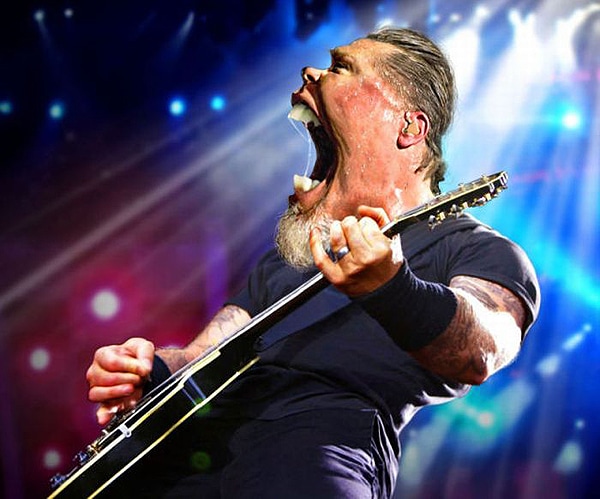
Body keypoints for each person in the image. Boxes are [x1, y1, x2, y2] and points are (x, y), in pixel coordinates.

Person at [86, 27, 540, 498]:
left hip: (314, 447)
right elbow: (202, 355)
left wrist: (393, 287)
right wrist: (147, 369)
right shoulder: (293, 256)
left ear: (409, 128)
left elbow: (483, 349)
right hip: (188, 457)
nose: (311, 71)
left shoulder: (476, 249)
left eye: (342, 67)